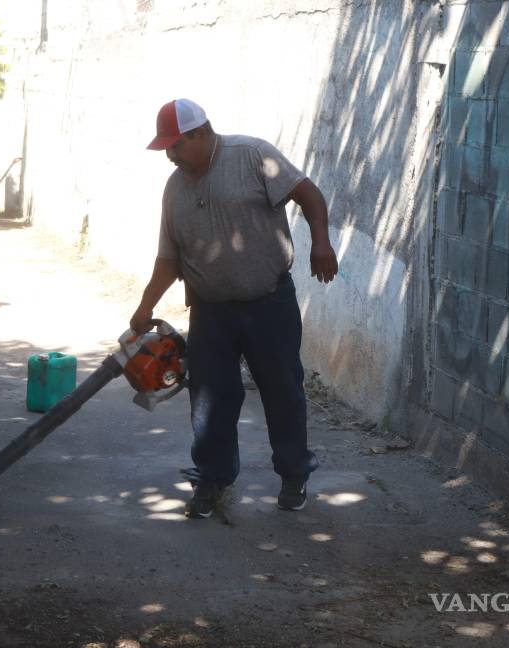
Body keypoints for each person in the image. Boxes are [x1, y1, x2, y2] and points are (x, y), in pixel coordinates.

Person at [129, 99, 339, 519]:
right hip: (211, 313)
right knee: (210, 400)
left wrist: (320, 241)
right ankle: (212, 481)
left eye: (176, 145)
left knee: (283, 390)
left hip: (269, 303)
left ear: (202, 133)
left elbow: (307, 193)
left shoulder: (252, 155)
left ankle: (294, 474)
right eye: (166, 147)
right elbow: (169, 259)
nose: (170, 154)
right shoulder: (174, 188)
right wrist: (145, 305)